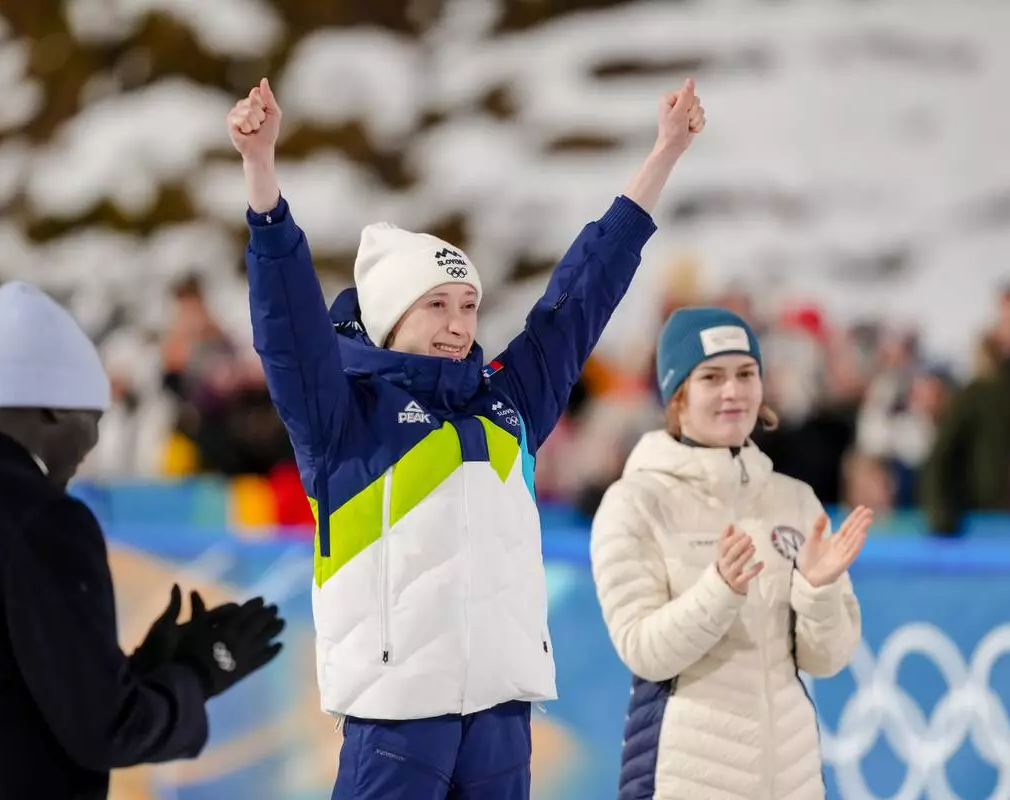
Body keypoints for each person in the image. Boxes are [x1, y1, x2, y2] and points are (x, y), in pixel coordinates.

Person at [230, 75, 705, 799]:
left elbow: (579, 298)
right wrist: (262, 179)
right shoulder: (342, 416)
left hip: (503, 719)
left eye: (469, 305)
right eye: (437, 305)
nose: (459, 323)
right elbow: (289, 325)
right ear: (392, 316)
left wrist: (663, 154)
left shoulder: (505, 406)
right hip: (395, 725)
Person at [0, 281, 286, 799]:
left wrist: (139, 671)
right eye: (90, 420)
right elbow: (106, 729)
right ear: (50, 409)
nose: (92, 444)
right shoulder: (44, 521)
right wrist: (201, 670)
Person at [590, 307, 869, 800]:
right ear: (677, 396)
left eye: (746, 374)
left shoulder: (794, 499)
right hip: (684, 778)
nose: (733, 392)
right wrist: (719, 592)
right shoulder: (635, 502)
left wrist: (817, 590)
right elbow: (644, 650)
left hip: (793, 779)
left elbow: (826, 659)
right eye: (712, 377)